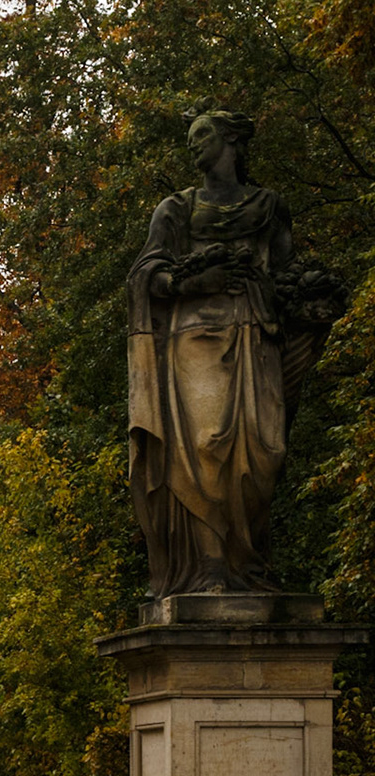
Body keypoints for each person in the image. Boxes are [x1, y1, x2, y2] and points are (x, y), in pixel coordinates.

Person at [127, 107, 341, 598]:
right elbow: (145, 277)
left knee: (265, 451)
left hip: (256, 332)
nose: (192, 144)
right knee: (205, 448)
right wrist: (194, 280)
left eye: (201, 134)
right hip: (196, 338)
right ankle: (211, 567)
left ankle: (250, 564)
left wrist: (313, 298)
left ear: (231, 142)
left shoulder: (269, 206)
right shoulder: (176, 210)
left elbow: (286, 276)